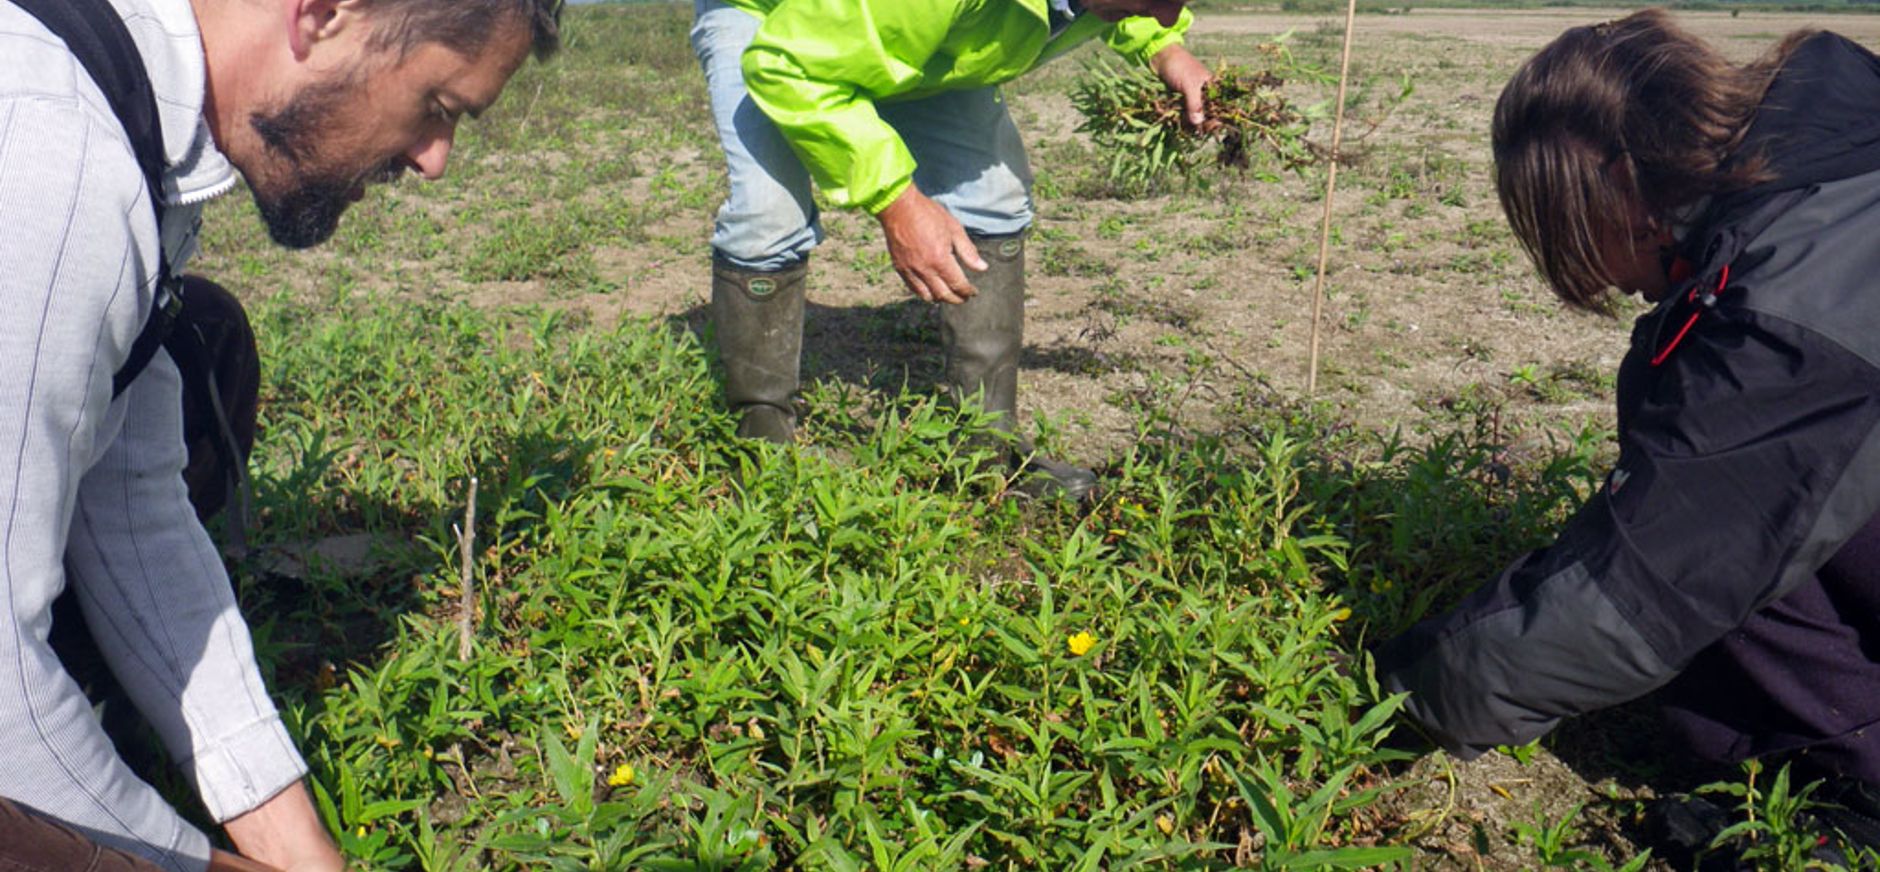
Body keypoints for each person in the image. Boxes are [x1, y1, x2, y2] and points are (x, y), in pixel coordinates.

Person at [0, 0, 563, 869]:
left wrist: (299, 847)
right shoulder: (50, 157)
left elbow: (132, 501)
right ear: (325, 12)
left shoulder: (122, 106)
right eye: (439, 106)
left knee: (197, 344)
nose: (435, 159)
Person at [1375, 8, 1880, 814]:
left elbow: (1650, 585)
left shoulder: (1792, 312)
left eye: (1567, 228)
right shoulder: (1838, 158)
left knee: (1737, 521)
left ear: (1618, 183)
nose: (1604, 283)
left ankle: (1846, 783)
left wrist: (1386, 703)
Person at [689, 0, 1212, 500]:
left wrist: (1165, 47)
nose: (1170, 12)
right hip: (773, 24)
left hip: (920, 31)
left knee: (994, 201)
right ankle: (761, 441)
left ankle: (985, 447)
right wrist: (896, 201)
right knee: (768, 217)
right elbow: (789, 68)